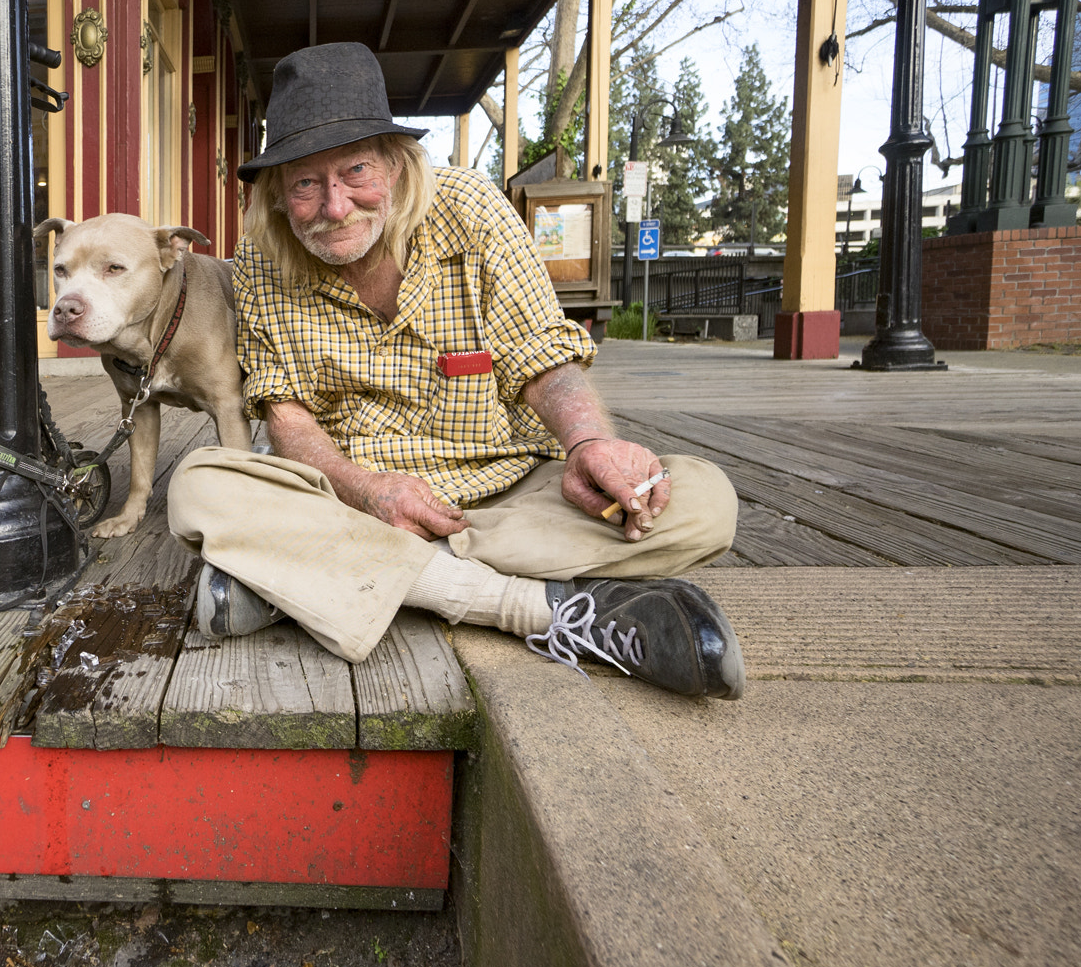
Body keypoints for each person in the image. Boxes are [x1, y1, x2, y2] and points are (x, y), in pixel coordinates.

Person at [166, 42, 745, 699]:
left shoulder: (468, 208)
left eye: (355, 171)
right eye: (304, 183)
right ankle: (539, 608)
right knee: (199, 484)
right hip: (357, 501)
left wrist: (588, 443)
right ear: (277, 194)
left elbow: (543, 360)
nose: (333, 205)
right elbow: (287, 415)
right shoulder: (265, 256)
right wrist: (365, 490)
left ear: (397, 163)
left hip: (509, 492)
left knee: (703, 501)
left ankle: (317, 579)